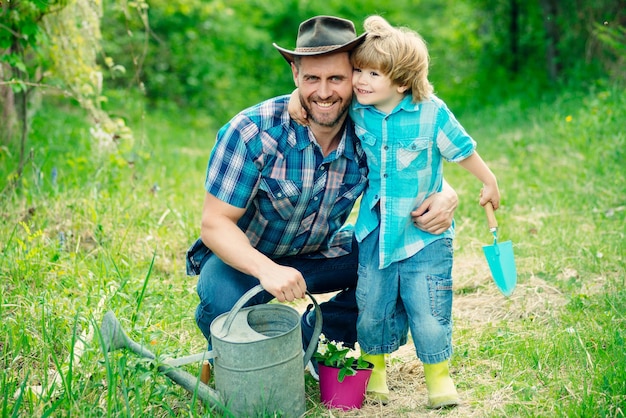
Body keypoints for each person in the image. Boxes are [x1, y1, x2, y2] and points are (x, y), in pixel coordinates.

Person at [185, 15, 459, 380]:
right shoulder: (253, 131)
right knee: (223, 302)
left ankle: (316, 339)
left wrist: (445, 194)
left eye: (336, 79)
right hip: (244, 259)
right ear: (296, 75)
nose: (324, 91)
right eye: (312, 78)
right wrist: (267, 270)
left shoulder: (369, 129)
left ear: (356, 78)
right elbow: (214, 224)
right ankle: (229, 346)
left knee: (398, 263)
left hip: (320, 252)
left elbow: (418, 169)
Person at [290, 15, 500, 408]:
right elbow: (315, 96)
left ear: (402, 82)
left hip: (426, 236)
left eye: (372, 73)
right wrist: (292, 97)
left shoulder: (431, 112)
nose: (361, 81)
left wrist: (488, 182)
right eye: (358, 71)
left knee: (430, 307)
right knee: (372, 307)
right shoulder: (357, 110)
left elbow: (462, 148)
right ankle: (376, 371)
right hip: (375, 231)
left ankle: (438, 377)